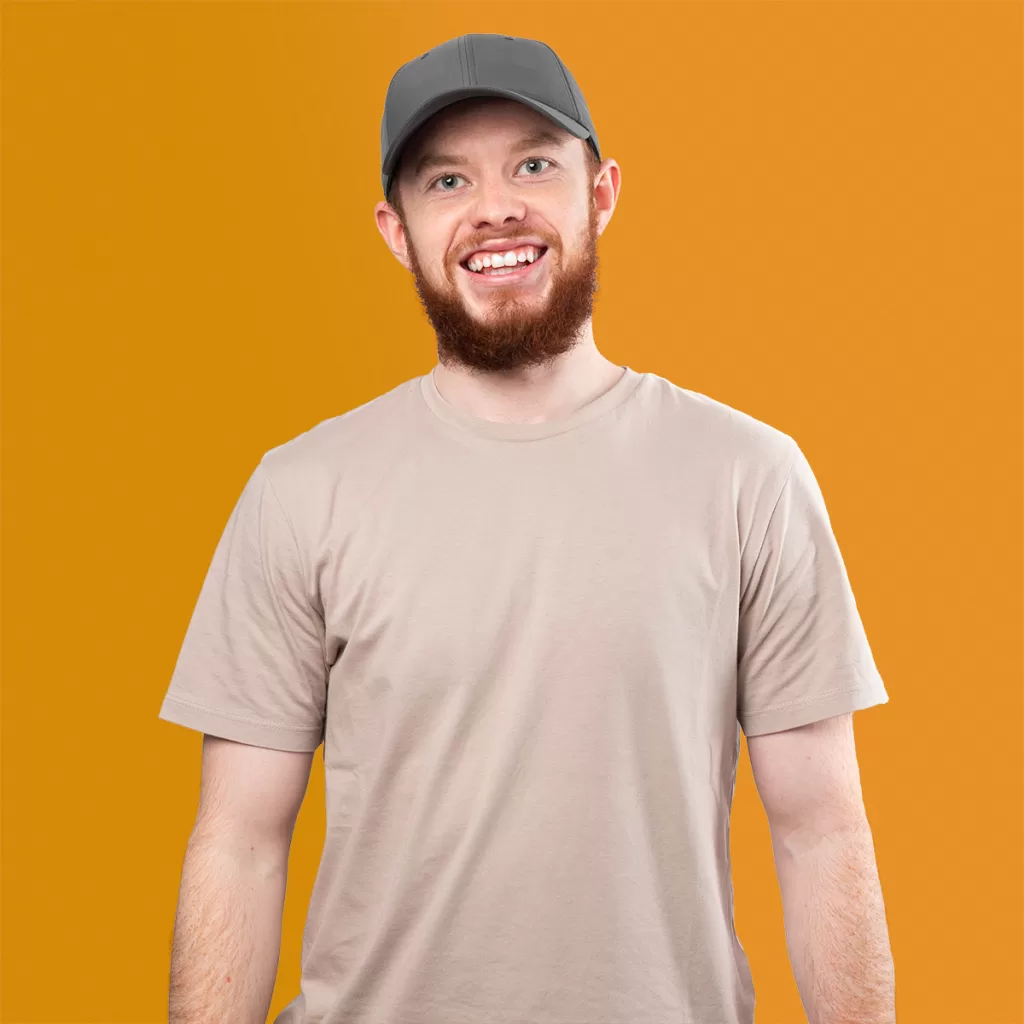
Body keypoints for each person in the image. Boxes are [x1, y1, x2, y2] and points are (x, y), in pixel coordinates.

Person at [159, 32, 895, 1024]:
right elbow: (239, 842)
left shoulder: (747, 478)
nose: (493, 206)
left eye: (534, 164)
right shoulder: (302, 492)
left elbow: (820, 829)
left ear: (601, 193)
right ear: (395, 228)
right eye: (446, 178)